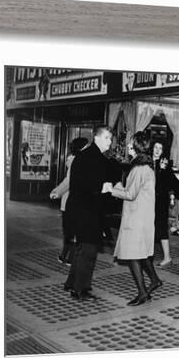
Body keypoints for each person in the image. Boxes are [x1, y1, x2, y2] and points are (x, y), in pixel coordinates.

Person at [105, 132, 162, 306]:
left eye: (131, 144)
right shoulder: (147, 168)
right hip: (143, 217)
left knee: (132, 255)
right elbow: (135, 191)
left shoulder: (138, 169)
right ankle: (154, 280)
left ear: (136, 147)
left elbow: (130, 195)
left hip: (136, 219)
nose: (128, 146)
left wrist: (110, 190)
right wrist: (119, 186)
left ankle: (143, 293)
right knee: (142, 252)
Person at [64, 125, 113, 300]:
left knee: (81, 248)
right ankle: (80, 289)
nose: (110, 142)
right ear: (97, 138)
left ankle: (72, 282)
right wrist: (103, 189)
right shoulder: (94, 158)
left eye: (110, 138)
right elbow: (90, 187)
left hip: (78, 209)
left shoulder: (86, 156)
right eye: (107, 138)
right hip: (87, 211)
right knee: (89, 252)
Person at [50, 137, 88, 266]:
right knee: (74, 232)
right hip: (72, 202)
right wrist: (57, 192)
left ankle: (64, 256)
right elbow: (69, 181)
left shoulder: (76, 161)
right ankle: (70, 258)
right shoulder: (77, 162)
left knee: (70, 231)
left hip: (70, 202)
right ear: (81, 148)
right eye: (86, 147)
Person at [152, 138, 179, 266]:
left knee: (161, 227)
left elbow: (173, 183)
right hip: (148, 201)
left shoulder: (164, 164)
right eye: (155, 147)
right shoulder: (147, 162)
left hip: (160, 201)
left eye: (160, 148)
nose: (157, 150)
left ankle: (167, 257)